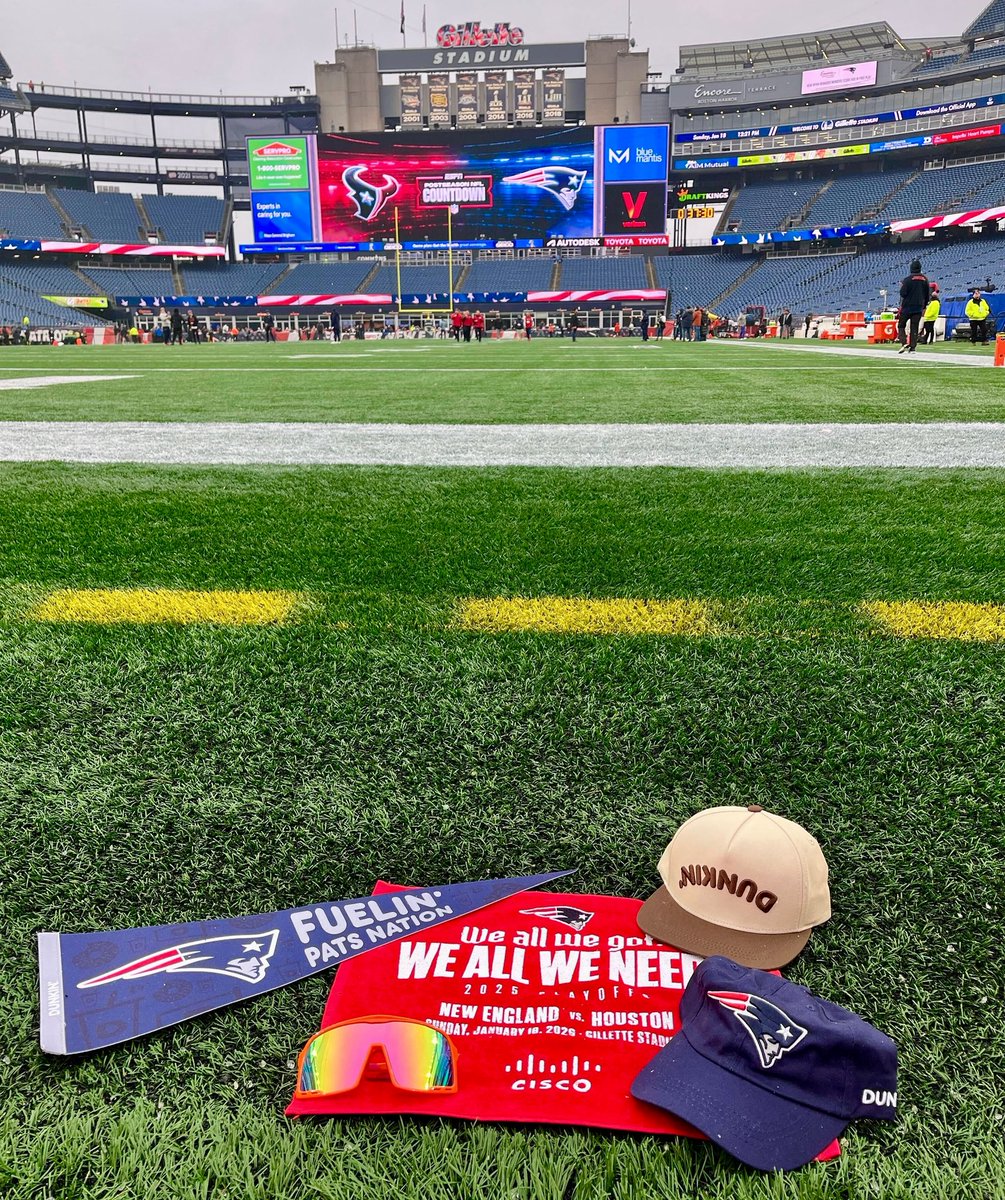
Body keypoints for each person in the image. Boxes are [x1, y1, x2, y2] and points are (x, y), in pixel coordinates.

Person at [897, 259, 930, 355]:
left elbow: (903, 293)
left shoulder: (907, 280)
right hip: (918, 307)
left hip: (907, 307)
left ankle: (904, 342)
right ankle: (912, 348)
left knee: (901, 325)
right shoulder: (925, 279)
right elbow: (927, 294)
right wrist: (924, 306)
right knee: (914, 327)